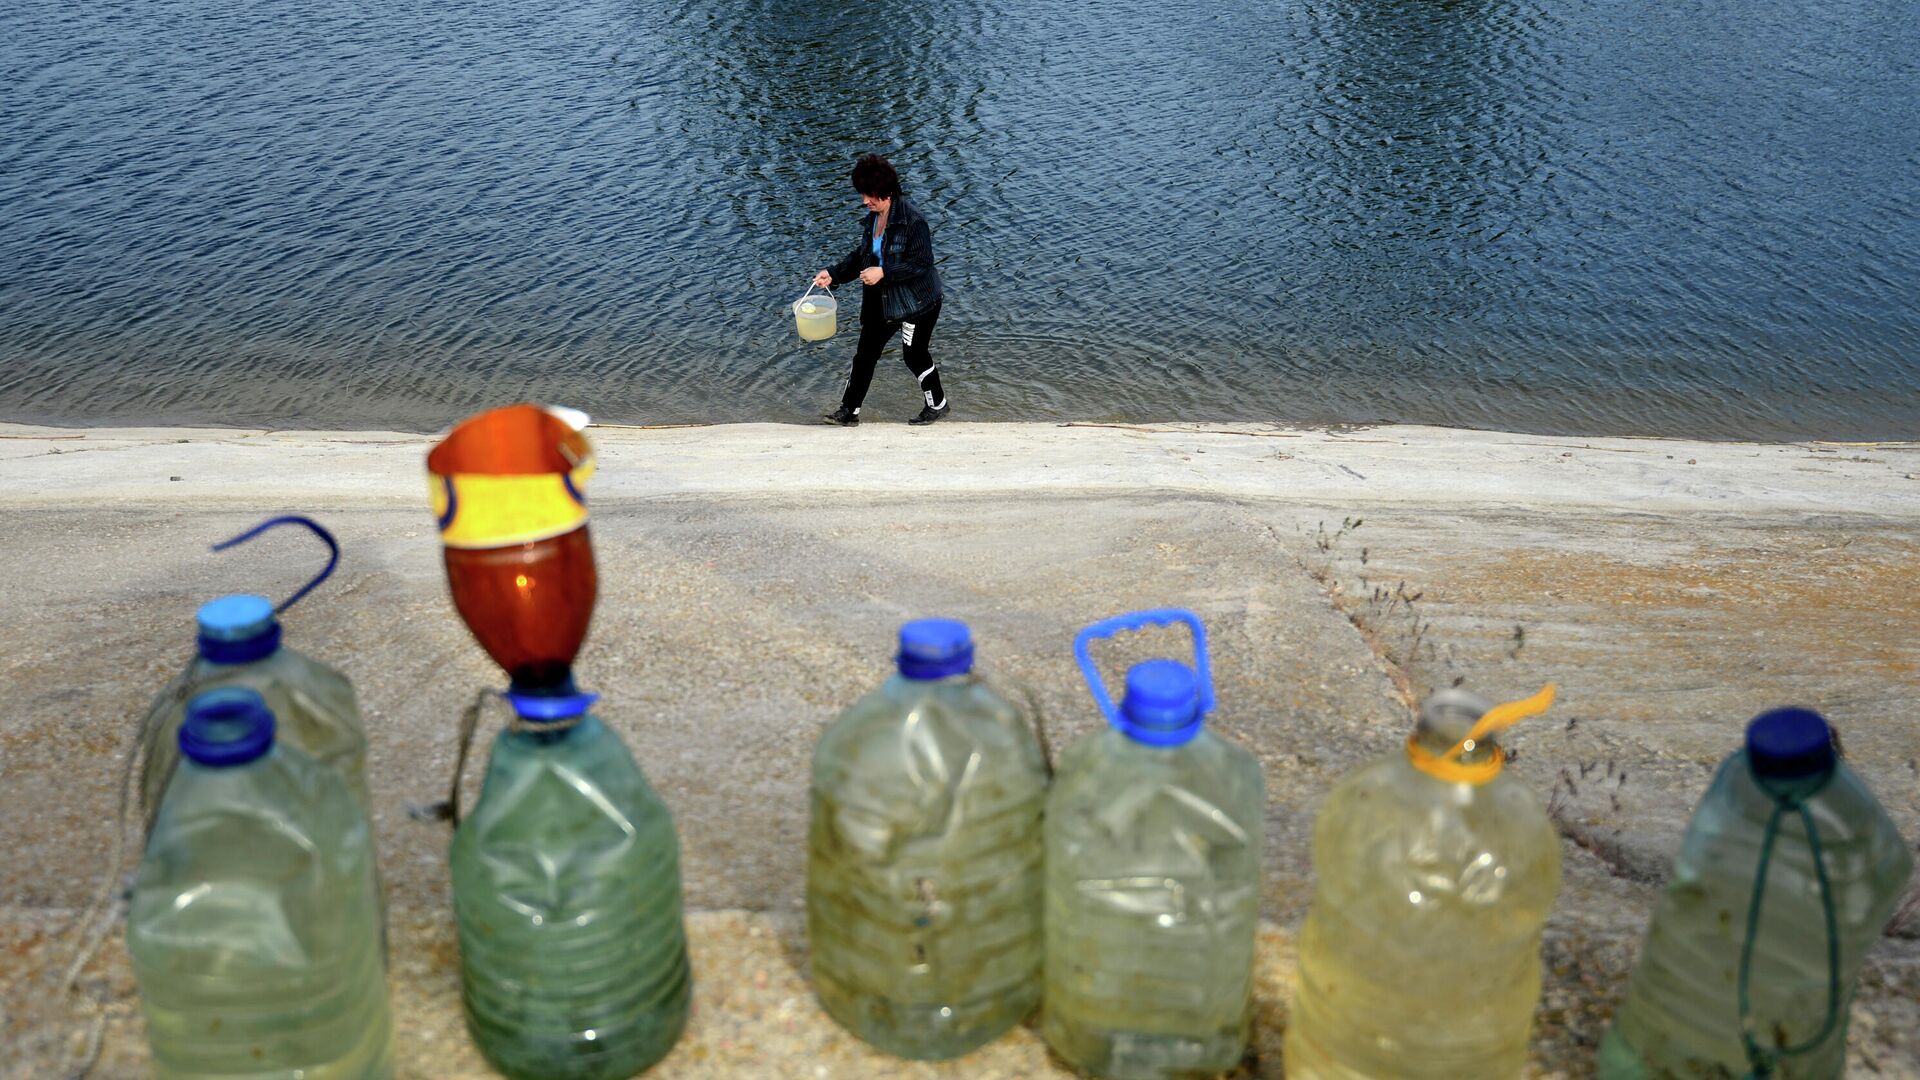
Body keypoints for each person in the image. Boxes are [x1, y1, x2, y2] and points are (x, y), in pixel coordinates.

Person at [814, 154, 949, 426]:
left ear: (886, 192)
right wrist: (834, 274)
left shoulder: (913, 222)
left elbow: (921, 265)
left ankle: (938, 404)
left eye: (870, 195)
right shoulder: (873, 219)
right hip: (882, 299)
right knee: (865, 354)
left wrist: (885, 271)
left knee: (914, 355)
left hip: (917, 302)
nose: (865, 201)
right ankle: (848, 412)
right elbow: (862, 256)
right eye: (863, 194)